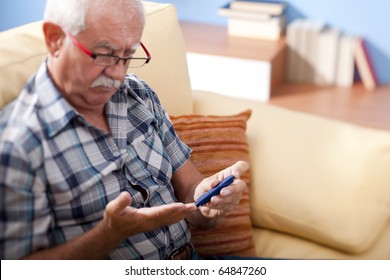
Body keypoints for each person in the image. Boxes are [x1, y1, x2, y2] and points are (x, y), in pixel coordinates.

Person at [0, 0, 249, 260]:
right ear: (55, 39)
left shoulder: (137, 93)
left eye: (128, 56)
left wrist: (208, 201)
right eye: (105, 54)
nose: (118, 75)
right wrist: (110, 233)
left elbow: (191, 194)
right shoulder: (16, 144)